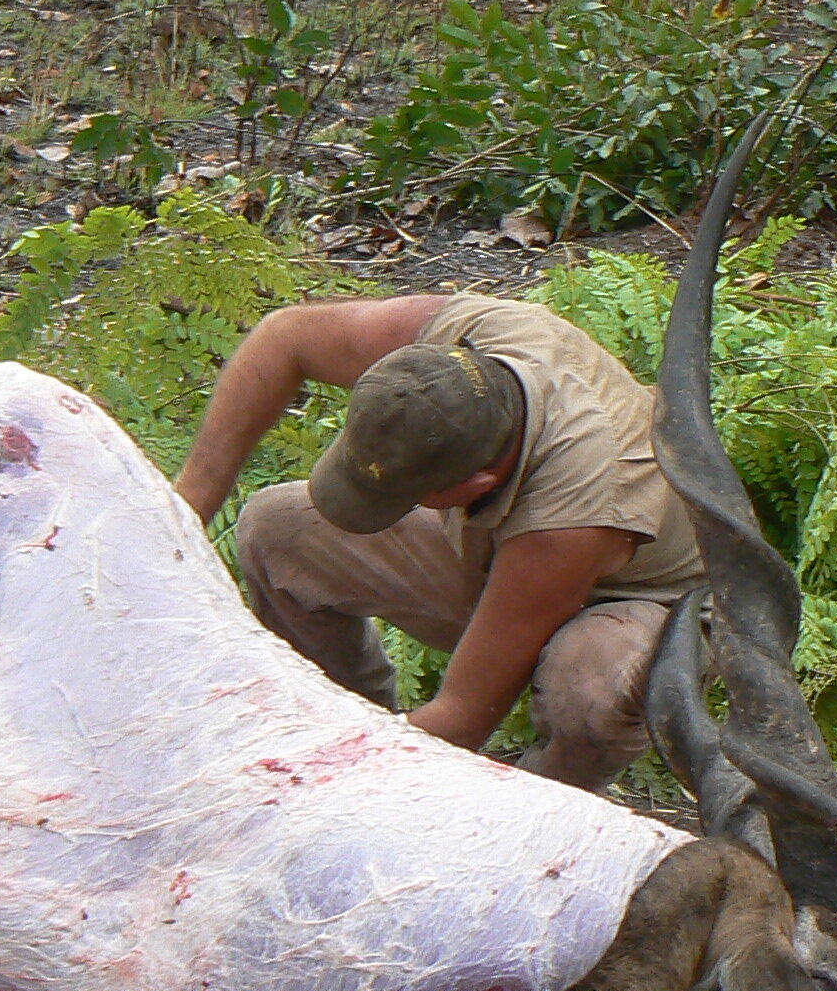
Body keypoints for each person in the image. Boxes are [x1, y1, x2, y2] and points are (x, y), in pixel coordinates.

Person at [175, 293, 704, 792]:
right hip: (504, 549)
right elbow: (285, 335)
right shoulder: (461, 341)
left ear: (473, 487)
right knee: (279, 528)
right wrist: (180, 514)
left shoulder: (574, 515)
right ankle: (341, 719)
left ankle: (531, 815)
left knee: (593, 691)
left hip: (635, 600)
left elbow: (464, 714)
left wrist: (313, 786)